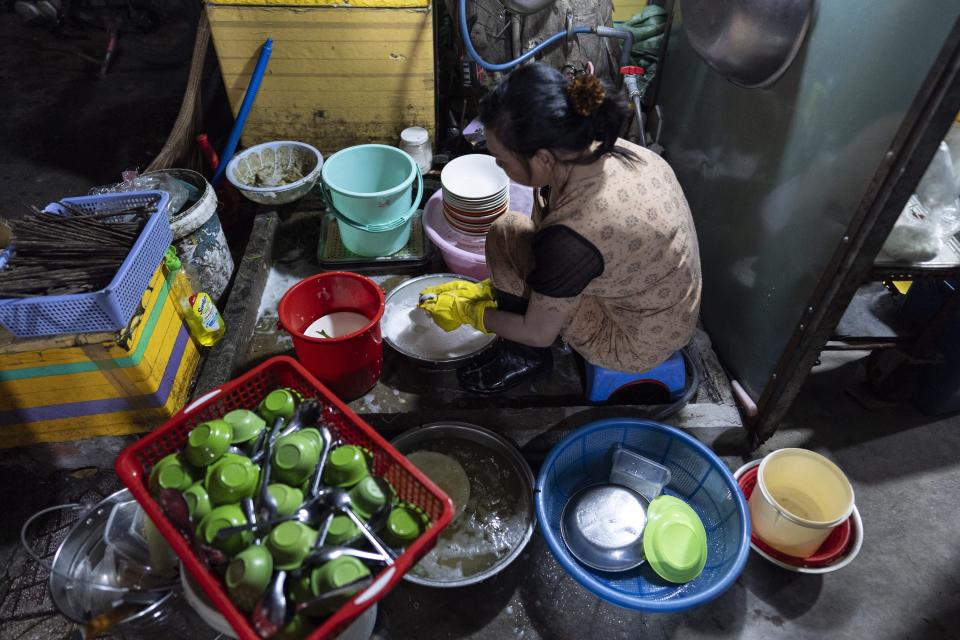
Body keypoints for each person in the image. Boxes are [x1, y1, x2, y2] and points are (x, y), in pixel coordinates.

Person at [420, 63, 702, 394]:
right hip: (662, 302)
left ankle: (527, 360)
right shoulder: (609, 148)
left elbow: (539, 332)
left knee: (515, 255)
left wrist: (472, 312)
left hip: (634, 339)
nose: (498, 167)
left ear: (542, 158)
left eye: (502, 160)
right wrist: (494, 290)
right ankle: (514, 308)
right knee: (507, 231)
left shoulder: (573, 235)